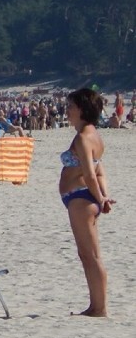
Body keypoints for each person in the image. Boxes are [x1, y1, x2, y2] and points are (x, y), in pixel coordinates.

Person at [60, 88, 114, 317]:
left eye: (70, 107)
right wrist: (104, 196)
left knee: (90, 255)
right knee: (86, 254)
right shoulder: (93, 135)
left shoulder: (84, 138)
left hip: (82, 199)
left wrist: (101, 198)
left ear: (82, 110)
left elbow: (91, 174)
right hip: (84, 197)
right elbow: (100, 172)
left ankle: (100, 307)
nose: (67, 111)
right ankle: (94, 305)